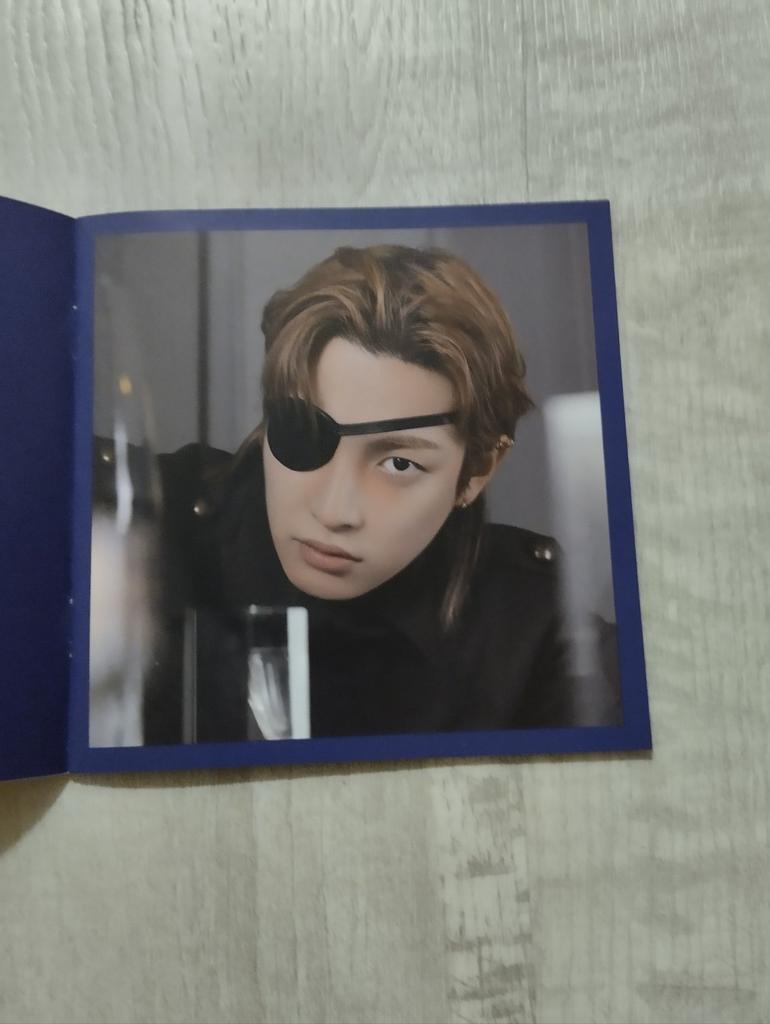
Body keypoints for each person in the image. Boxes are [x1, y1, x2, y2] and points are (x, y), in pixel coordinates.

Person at [129, 244, 587, 743]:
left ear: (478, 470)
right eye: (304, 432)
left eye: (399, 463)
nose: (334, 511)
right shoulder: (141, 523)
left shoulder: (540, 634)